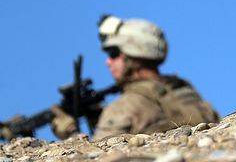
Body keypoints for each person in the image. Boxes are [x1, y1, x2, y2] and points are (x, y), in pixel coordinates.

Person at [51, 16, 219, 139]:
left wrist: (70, 130)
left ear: (134, 54)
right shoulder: (181, 87)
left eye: (114, 53)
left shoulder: (125, 106)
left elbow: (93, 156)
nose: (108, 62)